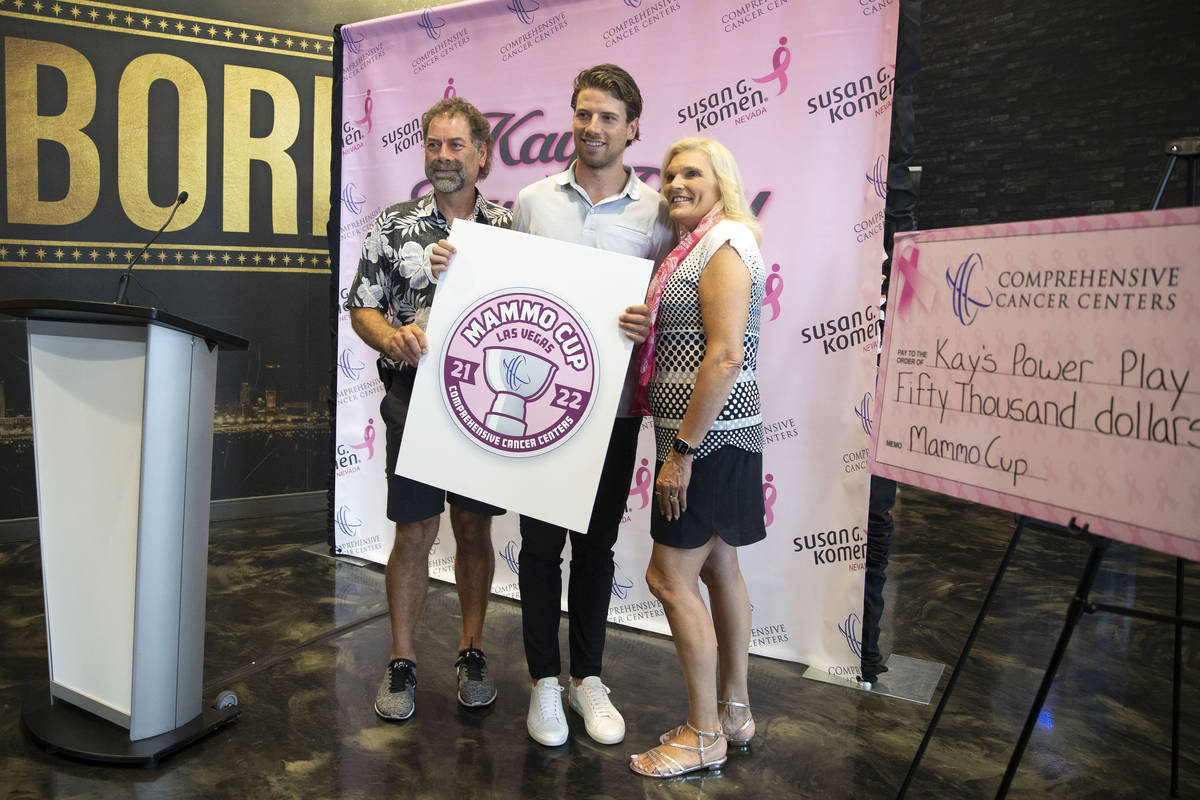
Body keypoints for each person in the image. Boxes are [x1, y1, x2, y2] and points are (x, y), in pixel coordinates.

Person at [432, 63, 673, 748]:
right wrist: (456, 269)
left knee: (596, 549)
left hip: (617, 412)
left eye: (607, 118)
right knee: (539, 547)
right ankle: (543, 681)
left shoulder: (656, 214)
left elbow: (665, 306)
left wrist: (644, 326)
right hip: (542, 415)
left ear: (632, 129)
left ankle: (588, 677)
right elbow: (500, 287)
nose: (592, 128)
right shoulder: (533, 203)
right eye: (584, 114)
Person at [345, 97, 512, 721]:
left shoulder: (509, 227)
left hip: (484, 402)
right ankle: (403, 659)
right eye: (434, 145)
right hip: (412, 400)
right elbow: (362, 305)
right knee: (414, 533)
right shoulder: (391, 225)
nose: (443, 157)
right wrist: (390, 337)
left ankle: (471, 649)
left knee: (473, 529)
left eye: (456, 146)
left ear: (481, 154)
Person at [627, 137, 767, 778]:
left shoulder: (723, 244)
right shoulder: (695, 248)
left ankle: (704, 733)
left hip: (703, 441)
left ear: (722, 181)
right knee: (717, 570)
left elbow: (725, 355)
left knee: (669, 579)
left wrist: (681, 451)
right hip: (717, 436)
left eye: (692, 173)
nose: (676, 182)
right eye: (670, 173)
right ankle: (734, 713)